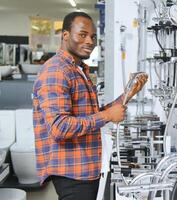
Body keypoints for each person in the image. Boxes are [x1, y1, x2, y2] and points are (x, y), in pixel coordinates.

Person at [32, 12, 148, 200]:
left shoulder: (78, 70)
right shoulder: (56, 71)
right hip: (71, 172)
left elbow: (92, 115)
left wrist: (128, 93)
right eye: (82, 34)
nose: (90, 41)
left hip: (85, 168)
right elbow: (59, 127)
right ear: (65, 35)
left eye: (93, 36)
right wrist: (108, 116)